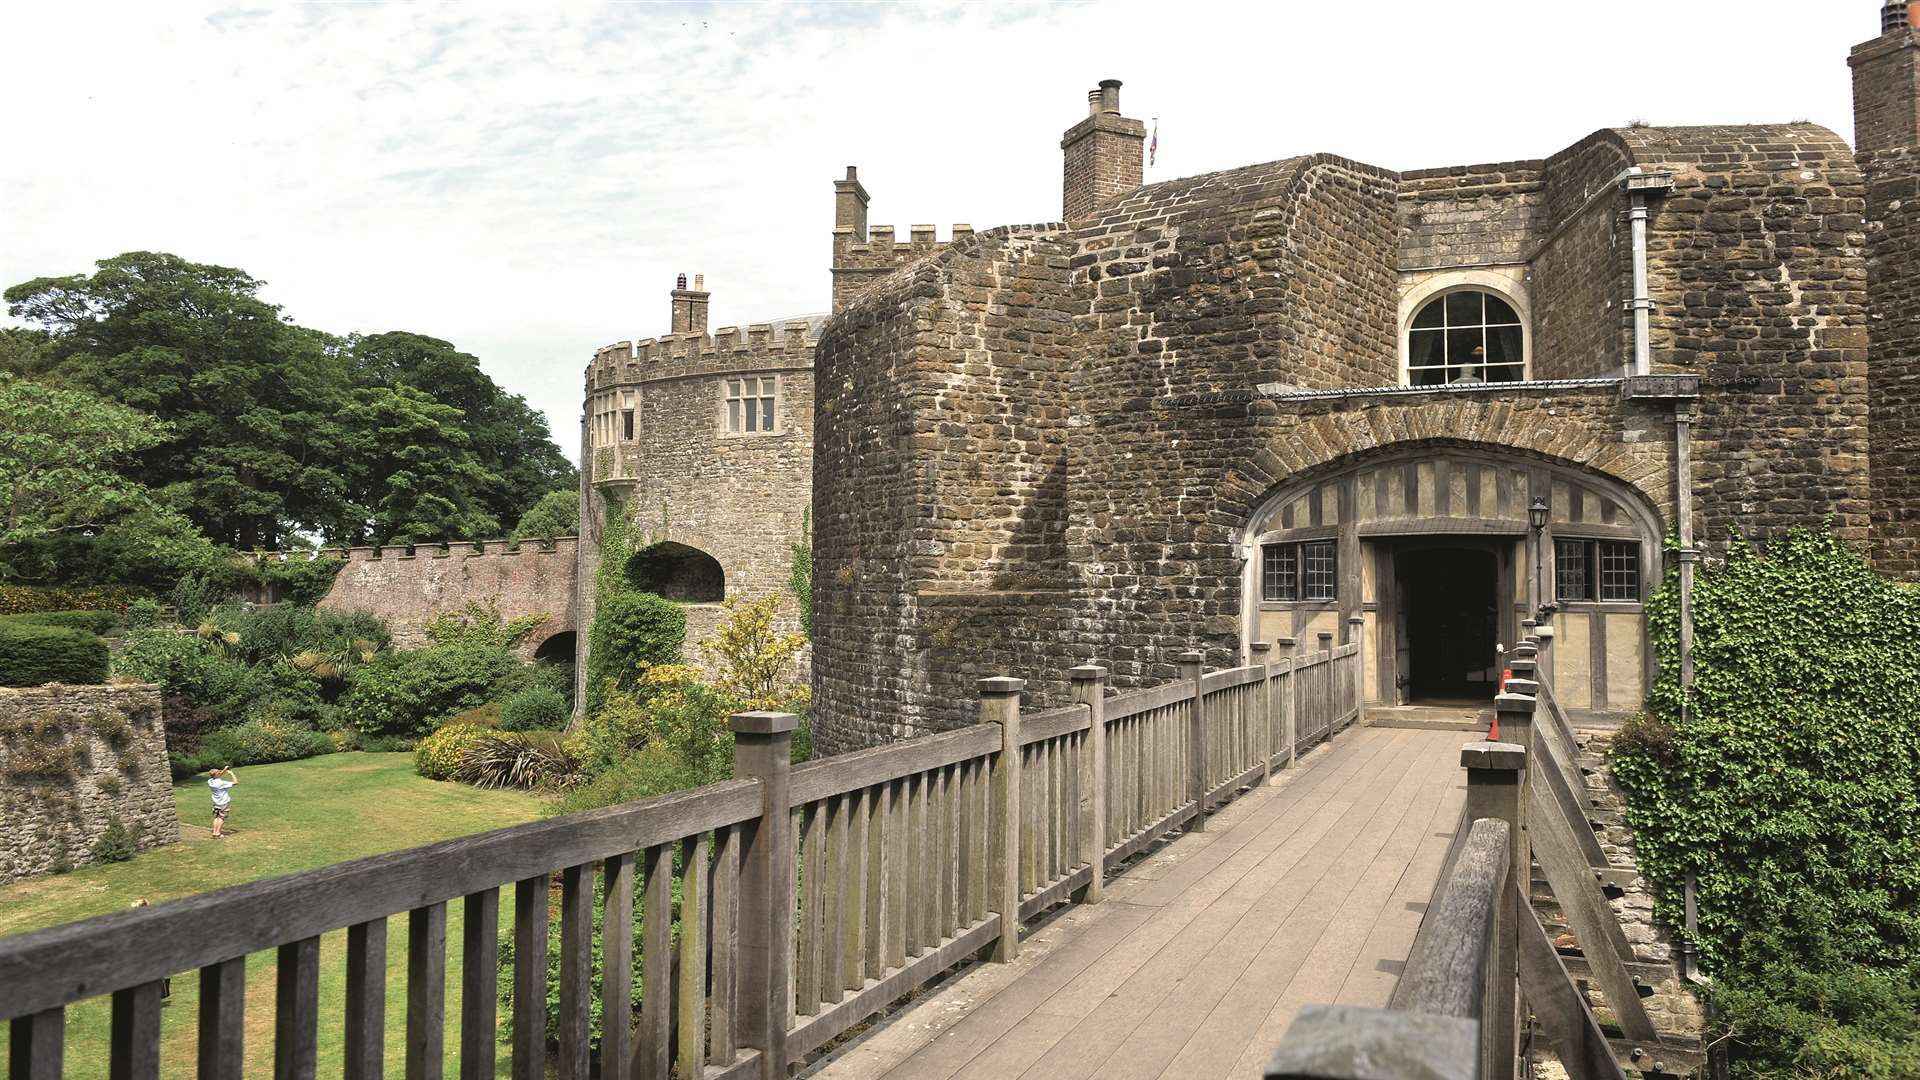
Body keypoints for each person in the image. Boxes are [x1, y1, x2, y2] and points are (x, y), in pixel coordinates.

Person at [207, 766, 238, 838]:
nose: (220, 772)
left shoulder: (210, 781)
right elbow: (235, 782)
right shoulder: (221, 783)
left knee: (216, 817)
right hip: (223, 803)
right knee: (221, 817)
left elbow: (218, 775)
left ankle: (214, 832)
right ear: (216, 775)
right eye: (218, 772)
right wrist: (231, 773)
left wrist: (224, 770)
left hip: (216, 802)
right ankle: (218, 833)